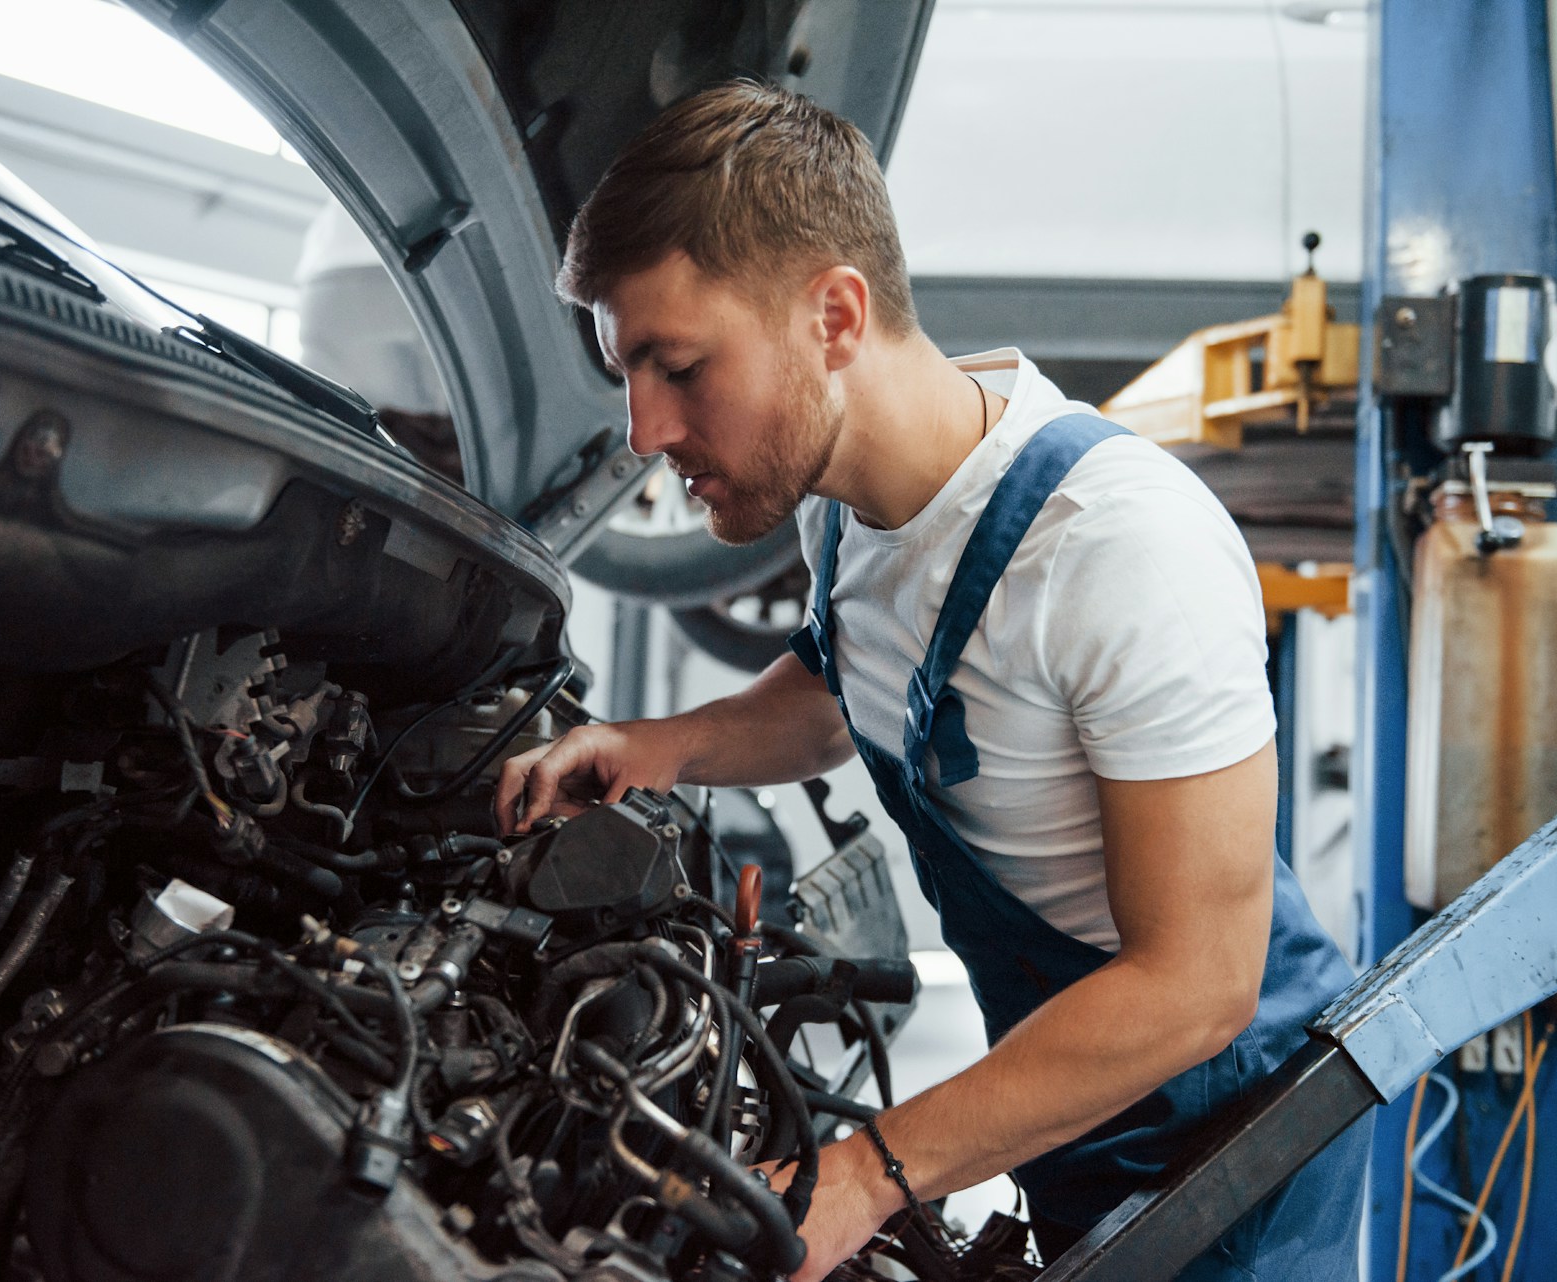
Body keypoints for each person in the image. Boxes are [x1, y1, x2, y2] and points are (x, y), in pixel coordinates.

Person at [495, 80, 1370, 1281]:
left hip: (1231, 1143)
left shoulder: (1119, 547)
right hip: (1070, 1103)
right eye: (626, 376)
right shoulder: (845, 514)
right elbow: (852, 680)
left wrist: (867, 1171)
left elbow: (1195, 988)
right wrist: (666, 746)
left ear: (836, 317)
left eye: (679, 366)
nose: (644, 430)